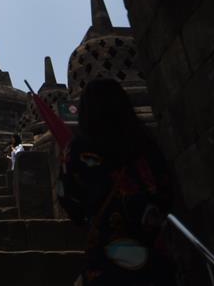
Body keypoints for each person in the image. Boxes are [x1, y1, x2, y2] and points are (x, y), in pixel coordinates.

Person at [57, 78, 176, 285]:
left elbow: (68, 199)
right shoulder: (146, 145)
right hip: (155, 261)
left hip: (105, 261)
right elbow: (166, 191)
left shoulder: (77, 150)